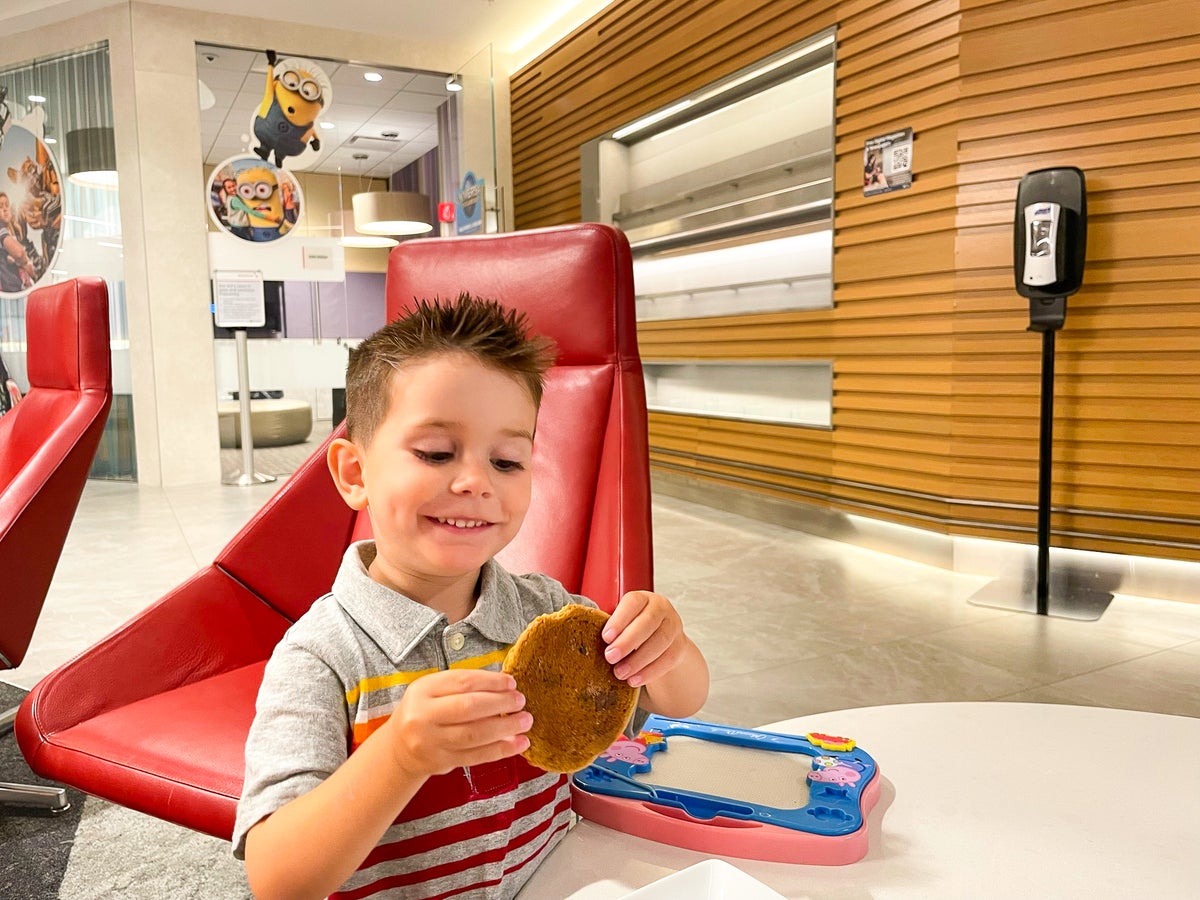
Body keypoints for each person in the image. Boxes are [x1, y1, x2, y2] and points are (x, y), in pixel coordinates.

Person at [234, 293, 709, 899]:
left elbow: (681, 702)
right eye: (435, 453)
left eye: (507, 461)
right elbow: (278, 879)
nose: (475, 482)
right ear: (355, 474)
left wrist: (666, 648)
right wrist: (400, 758)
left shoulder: (552, 617)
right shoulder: (322, 656)